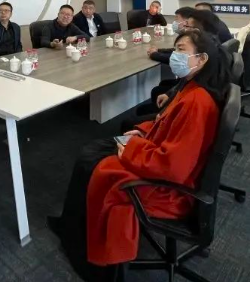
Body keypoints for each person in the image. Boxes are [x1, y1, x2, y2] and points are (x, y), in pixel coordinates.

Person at [48, 29, 231, 281]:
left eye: (181, 50)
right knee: (91, 154)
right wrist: (143, 132)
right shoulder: (193, 87)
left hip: (169, 188)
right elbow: (168, 126)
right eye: (175, 49)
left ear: (201, 59)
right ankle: (72, 226)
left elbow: (173, 167)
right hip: (160, 157)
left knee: (98, 167)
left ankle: (98, 261)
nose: (175, 55)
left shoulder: (198, 102)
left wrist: (132, 150)